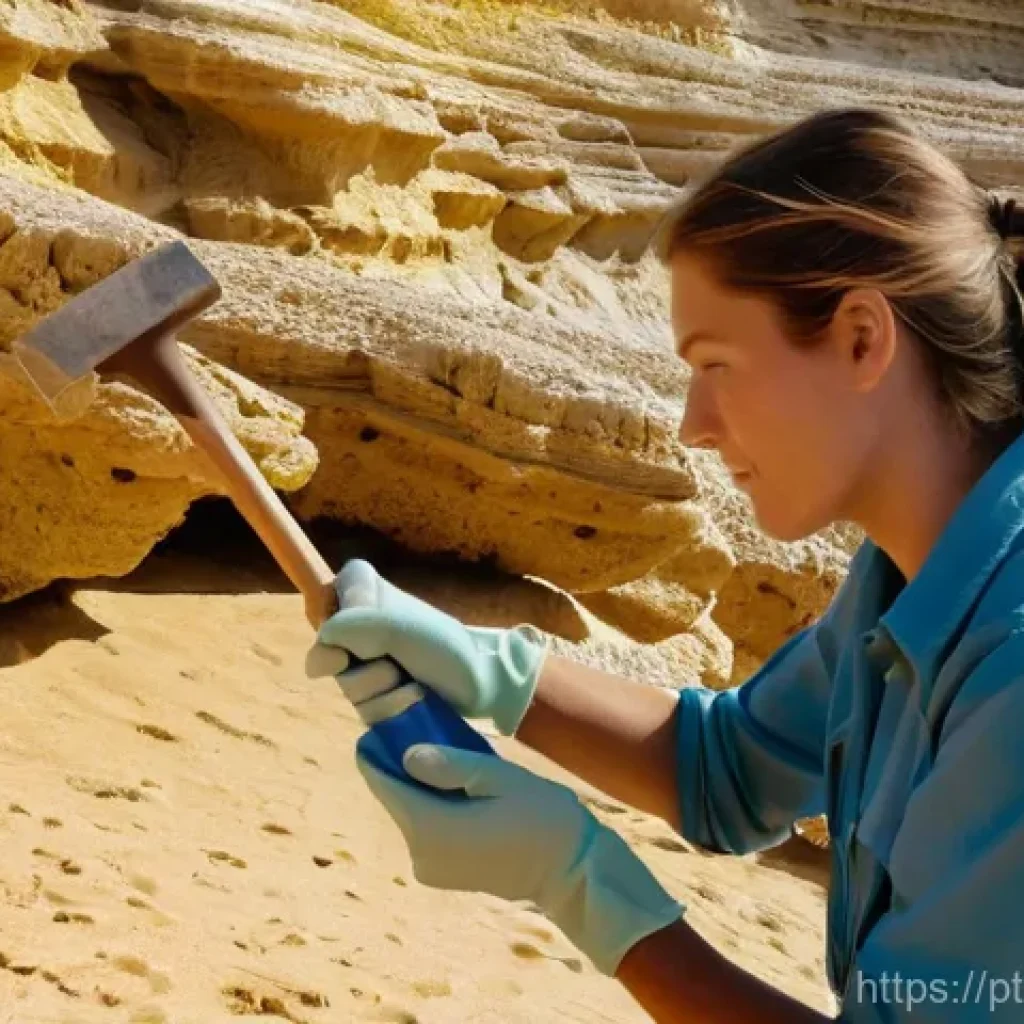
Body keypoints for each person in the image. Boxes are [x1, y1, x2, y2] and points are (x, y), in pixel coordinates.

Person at [313, 108, 1024, 1021]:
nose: (695, 423)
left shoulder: (1010, 664)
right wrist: (491, 672)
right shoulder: (908, 578)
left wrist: (580, 883)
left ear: (861, 338)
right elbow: (725, 769)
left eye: (717, 364)